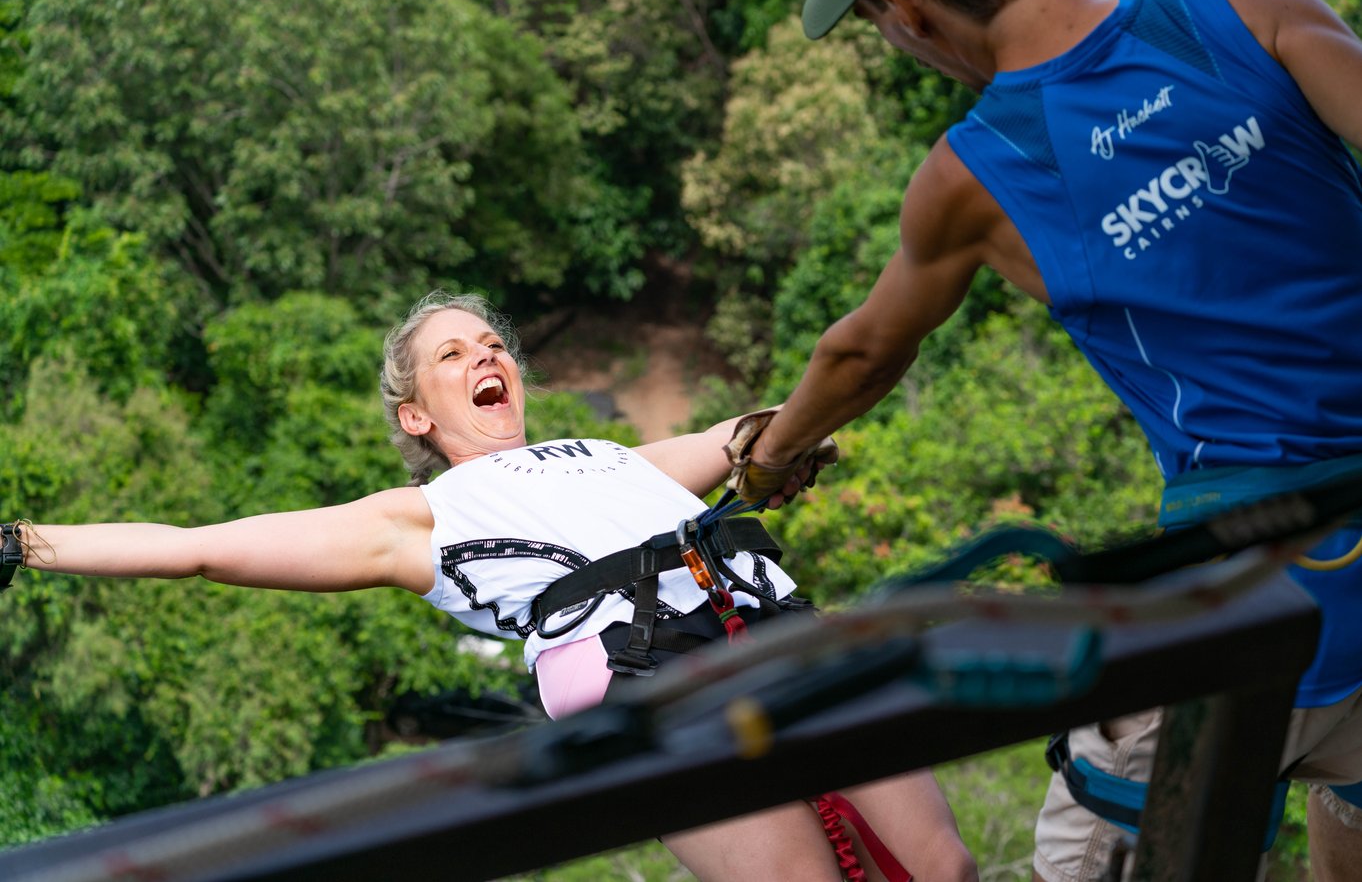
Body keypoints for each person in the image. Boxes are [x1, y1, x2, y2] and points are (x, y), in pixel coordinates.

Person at [722, 0, 1362, 880]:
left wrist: (766, 463)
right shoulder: (1247, 3)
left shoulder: (979, 174)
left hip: (1271, 574)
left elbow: (863, 354)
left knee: (1082, 847)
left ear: (906, 10)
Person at [5, 289, 979, 882]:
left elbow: (742, 438)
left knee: (945, 867)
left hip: (770, 628)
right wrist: (22, 542)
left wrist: (785, 441)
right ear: (417, 413)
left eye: (493, 346)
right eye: (453, 355)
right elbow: (199, 546)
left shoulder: (612, 457)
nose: (485, 358)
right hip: (650, 690)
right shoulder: (419, 520)